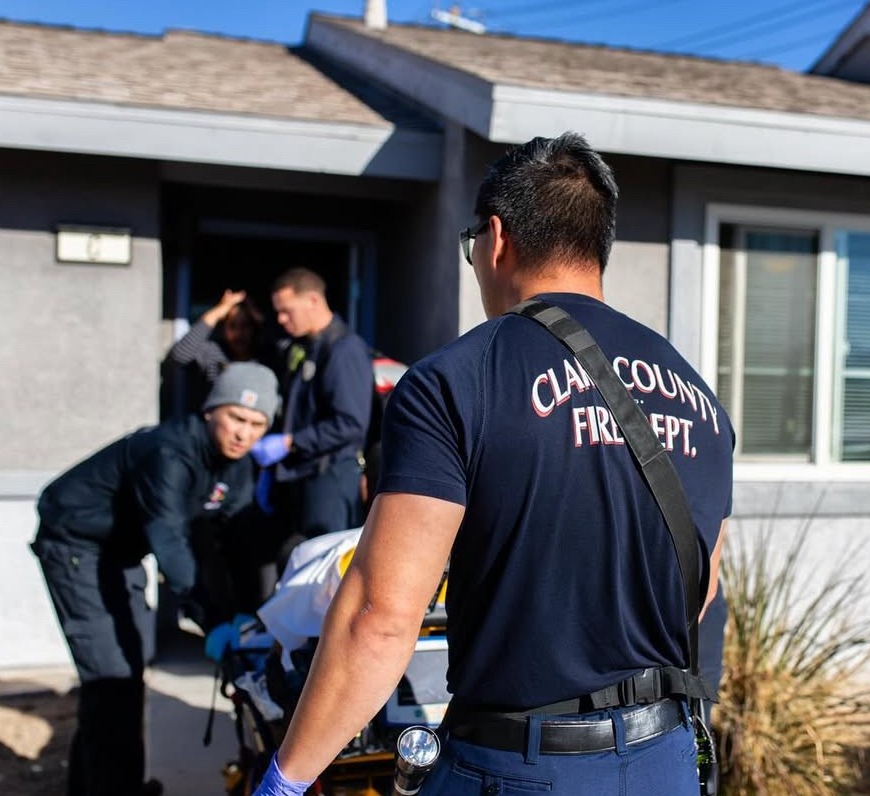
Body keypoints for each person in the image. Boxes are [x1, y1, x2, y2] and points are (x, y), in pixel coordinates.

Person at [253, 132, 734, 796]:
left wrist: (285, 778)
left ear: (496, 238)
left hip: (521, 766)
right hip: (668, 758)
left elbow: (380, 614)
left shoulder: (457, 380)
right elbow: (701, 588)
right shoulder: (700, 398)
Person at [31, 362, 278, 796]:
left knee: (128, 663)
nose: (245, 433)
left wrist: (243, 613)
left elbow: (228, 541)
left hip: (122, 553)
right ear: (210, 412)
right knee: (110, 674)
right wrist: (207, 616)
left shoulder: (235, 465)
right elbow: (170, 540)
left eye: (258, 424)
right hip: (76, 544)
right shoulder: (168, 452)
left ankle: (99, 784)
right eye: (236, 418)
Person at [252, 268, 373, 549]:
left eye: (287, 311)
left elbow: (350, 423)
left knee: (325, 571)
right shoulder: (306, 347)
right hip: (304, 476)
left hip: (331, 479)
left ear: (313, 302)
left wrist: (290, 442)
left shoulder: (343, 350)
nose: (281, 320)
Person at [166, 289, 265, 384]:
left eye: (245, 325)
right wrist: (217, 312)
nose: (239, 333)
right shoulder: (213, 352)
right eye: (232, 326)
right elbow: (178, 356)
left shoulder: (268, 356)